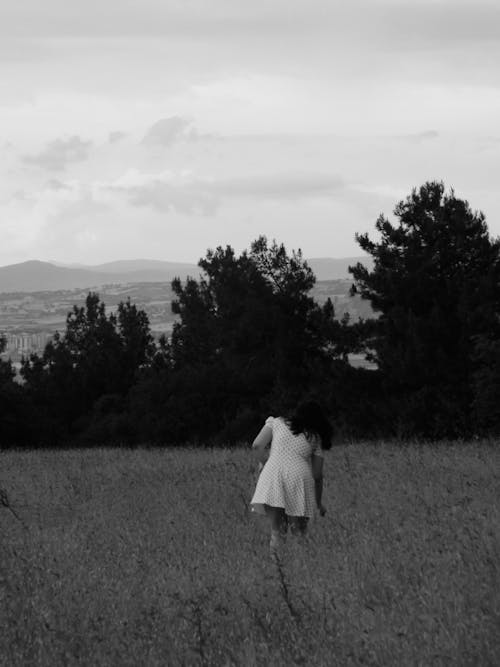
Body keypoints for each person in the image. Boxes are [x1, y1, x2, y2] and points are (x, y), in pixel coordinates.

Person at [250, 400, 332, 556]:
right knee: (300, 532)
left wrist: (266, 463)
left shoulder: (276, 422)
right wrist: (319, 503)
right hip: (299, 479)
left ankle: (278, 568)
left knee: (277, 532)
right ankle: (304, 568)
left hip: (272, 475)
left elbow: (257, 445)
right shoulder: (314, 437)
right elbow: (317, 475)